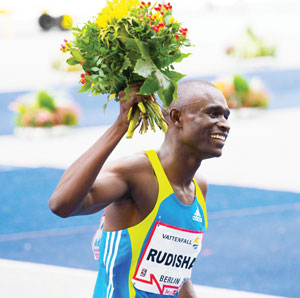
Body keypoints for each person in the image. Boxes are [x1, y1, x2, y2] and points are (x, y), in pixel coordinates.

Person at [49, 80, 230, 298]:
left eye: (225, 116)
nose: (225, 124)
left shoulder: (198, 188)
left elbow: (178, 278)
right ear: (176, 117)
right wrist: (119, 126)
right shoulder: (136, 174)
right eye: (213, 114)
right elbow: (61, 204)